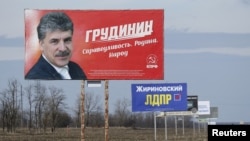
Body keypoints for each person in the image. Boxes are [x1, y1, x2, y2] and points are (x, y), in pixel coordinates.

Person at [25, 11, 87, 80]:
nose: (63, 48)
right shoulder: (35, 78)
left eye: (67, 40)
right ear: (41, 45)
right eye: (54, 41)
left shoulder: (76, 69)